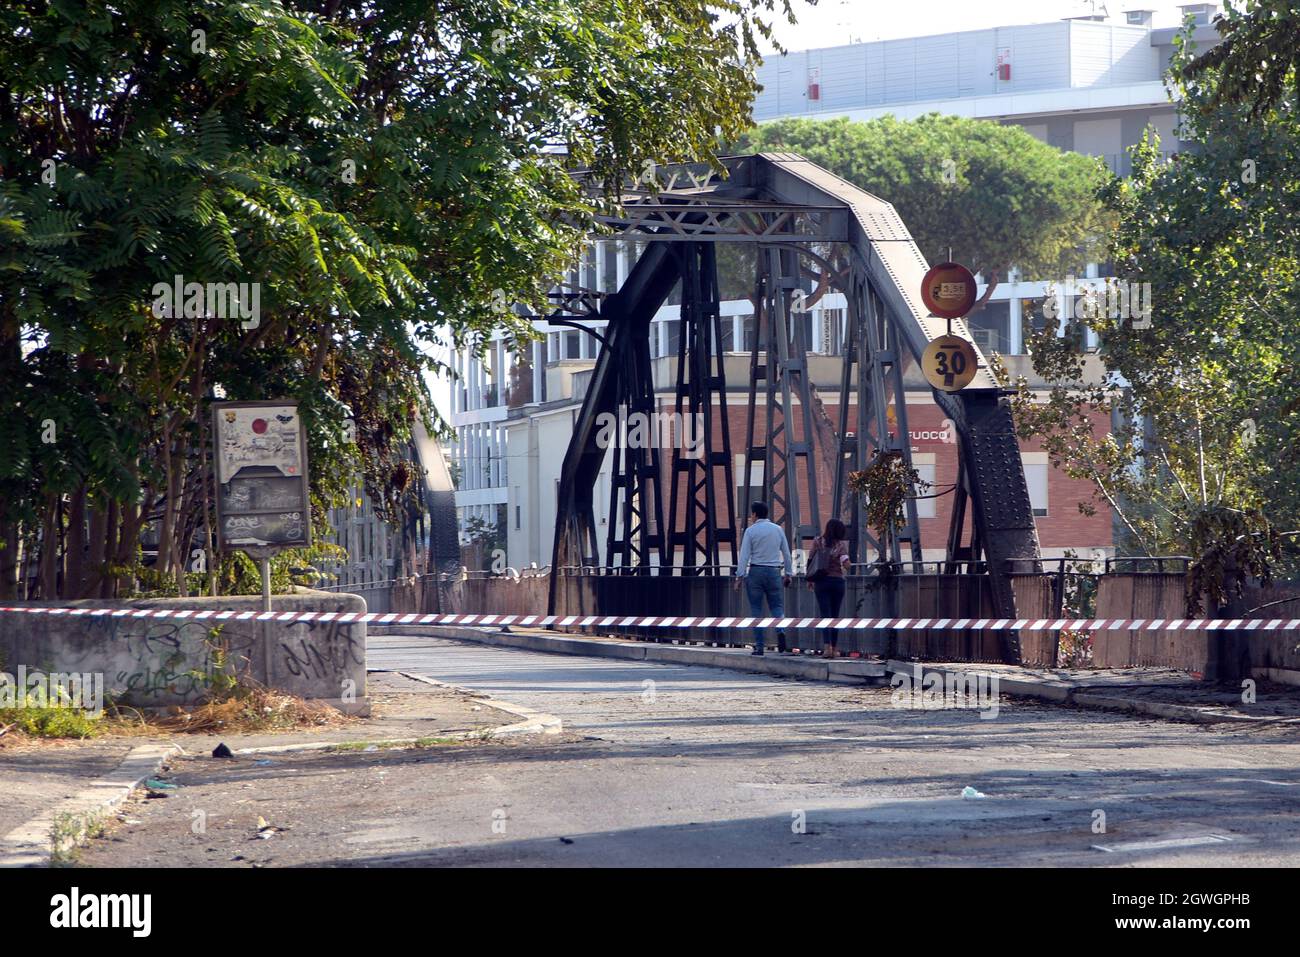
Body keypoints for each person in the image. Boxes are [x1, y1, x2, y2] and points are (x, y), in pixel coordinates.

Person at [734, 501, 792, 655]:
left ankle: (759, 647)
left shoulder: (750, 531)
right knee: (777, 606)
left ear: (754, 514)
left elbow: (744, 556)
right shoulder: (778, 530)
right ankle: (780, 630)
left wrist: (739, 577)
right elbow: (786, 553)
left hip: (756, 572)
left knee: (756, 609)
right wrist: (788, 573)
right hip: (774, 572)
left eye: (751, 514)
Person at [807, 518, 850, 657]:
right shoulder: (841, 545)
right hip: (838, 582)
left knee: (825, 615)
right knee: (835, 616)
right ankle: (835, 648)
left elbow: (810, 560)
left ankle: (827, 648)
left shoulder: (818, 542)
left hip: (822, 582)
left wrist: (810, 580)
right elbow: (846, 563)